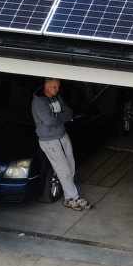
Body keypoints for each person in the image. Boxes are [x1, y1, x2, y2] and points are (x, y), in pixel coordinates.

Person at [31, 79, 89, 210]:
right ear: (46, 85)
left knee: (71, 167)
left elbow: (69, 112)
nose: (57, 89)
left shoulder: (56, 97)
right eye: (54, 87)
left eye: (58, 87)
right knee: (63, 170)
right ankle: (73, 197)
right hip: (49, 140)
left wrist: (58, 116)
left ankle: (70, 197)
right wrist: (62, 116)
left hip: (62, 136)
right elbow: (49, 121)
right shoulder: (39, 102)